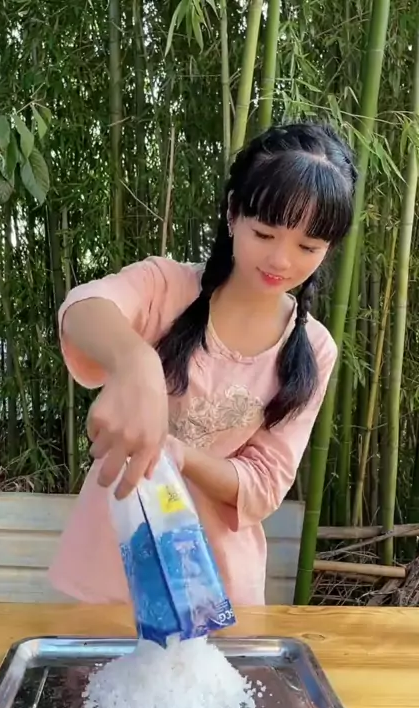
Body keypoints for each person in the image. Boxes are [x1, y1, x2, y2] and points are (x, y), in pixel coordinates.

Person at [48, 121, 357, 606]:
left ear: (329, 248)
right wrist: (136, 364)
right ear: (233, 213)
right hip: (112, 564)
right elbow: (83, 307)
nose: (281, 260)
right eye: (265, 233)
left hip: (215, 584)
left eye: (307, 247)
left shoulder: (315, 347)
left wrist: (176, 454)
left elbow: (264, 483)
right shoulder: (166, 287)